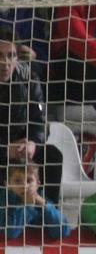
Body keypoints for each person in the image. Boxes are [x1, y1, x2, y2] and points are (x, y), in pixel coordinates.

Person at [1, 28, 61, 205]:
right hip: (4, 150)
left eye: (11, 55)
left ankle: (47, 211)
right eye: (0, 56)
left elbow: (40, 120)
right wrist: (5, 149)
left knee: (52, 155)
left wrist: (33, 143)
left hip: (21, 149)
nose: (5, 63)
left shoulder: (29, 80)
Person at [3, 162, 71, 240]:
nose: (24, 186)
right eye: (17, 181)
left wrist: (45, 205)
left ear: (37, 184)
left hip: (37, 244)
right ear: (8, 185)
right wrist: (28, 206)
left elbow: (63, 232)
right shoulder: (5, 200)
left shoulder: (42, 198)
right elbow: (11, 233)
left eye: (29, 180)